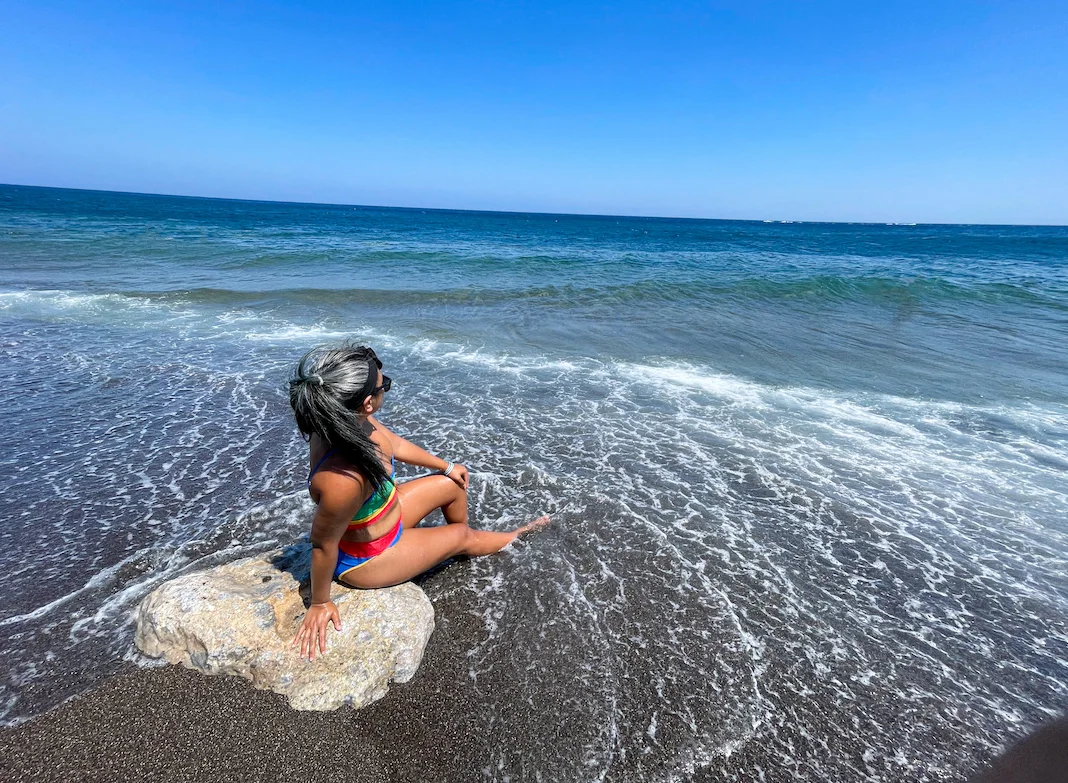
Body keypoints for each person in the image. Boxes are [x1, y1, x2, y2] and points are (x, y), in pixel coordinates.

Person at [287, 343, 549, 660]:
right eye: (385, 385)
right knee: (460, 535)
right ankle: (499, 538)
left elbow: (391, 442)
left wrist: (445, 466)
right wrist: (319, 603)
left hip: (386, 515)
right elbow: (322, 544)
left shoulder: (344, 419)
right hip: (366, 557)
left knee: (451, 485)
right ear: (367, 403)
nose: (387, 387)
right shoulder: (343, 479)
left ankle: (456, 548)